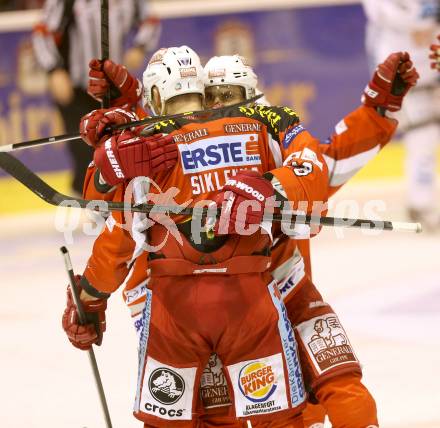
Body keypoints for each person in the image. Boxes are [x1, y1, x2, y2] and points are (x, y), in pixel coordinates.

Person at [77, 48, 418, 427]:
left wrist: (376, 111)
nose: (222, 108)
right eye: (215, 98)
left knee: (338, 384)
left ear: (253, 98)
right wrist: (127, 113)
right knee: (223, 415)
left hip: (279, 293)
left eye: (232, 98)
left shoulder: (264, 143)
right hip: (206, 302)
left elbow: (324, 162)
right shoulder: (211, 138)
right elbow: (150, 157)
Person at [31, 0, 161, 194]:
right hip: (77, 90)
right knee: (85, 154)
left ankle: (114, 207)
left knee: (120, 150)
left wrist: (140, 46)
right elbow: (42, 33)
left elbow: (150, 19)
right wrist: (54, 69)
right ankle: (89, 206)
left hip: (113, 91)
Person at [362, 0, 440, 229]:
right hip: (401, 71)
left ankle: (422, 202)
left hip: (432, 64)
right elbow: (388, 15)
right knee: (422, 136)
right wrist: (427, 17)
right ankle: (422, 202)